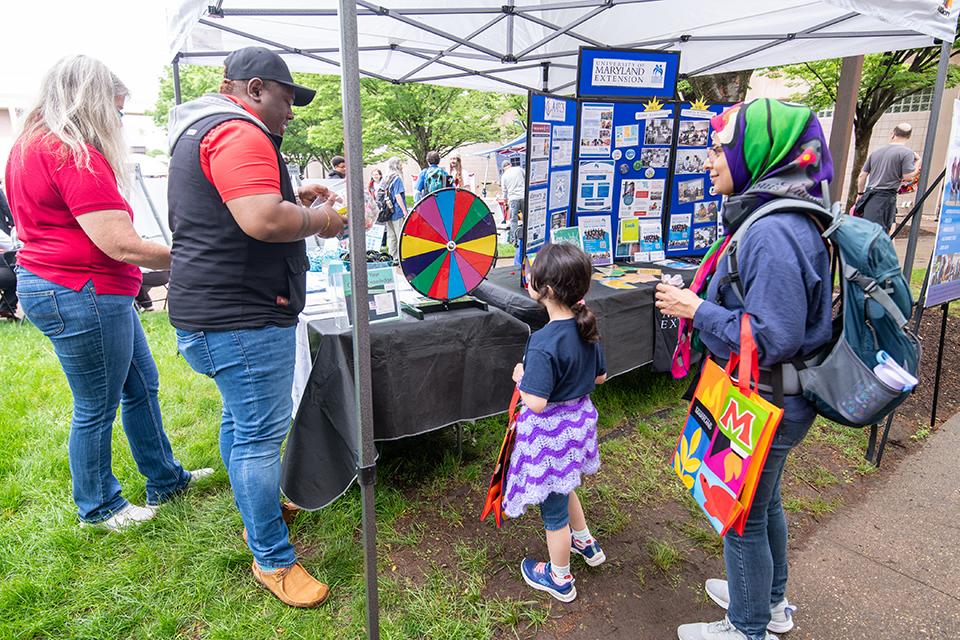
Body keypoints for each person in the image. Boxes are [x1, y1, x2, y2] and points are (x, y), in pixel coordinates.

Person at [165, 46, 344, 608]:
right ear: (255, 88)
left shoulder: (206, 130)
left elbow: (245, 209)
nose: (291, 112)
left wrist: (294, 197)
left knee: (241, 424)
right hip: (242, 316)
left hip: (217, 313)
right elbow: (262, 219)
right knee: (259, 440)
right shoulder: (239, 134)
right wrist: (322, 221)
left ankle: (258, 510)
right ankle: (271, 556)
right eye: (288, 99)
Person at [4, 55, 210, 530]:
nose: (118, 120)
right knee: (97, 405)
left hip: (74, 288)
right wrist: (197, 256)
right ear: (91, 103)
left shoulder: (27, 146)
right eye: (116, 109)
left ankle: (165, 478)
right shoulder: (71, 153)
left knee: (142, 386)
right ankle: (99, 507)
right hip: (80, 291)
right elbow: (120, 243)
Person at [655, 98, 833, 640]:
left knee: (742, 515)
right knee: (765, 501)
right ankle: (769, 601)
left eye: (718, 149)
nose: (707, 161)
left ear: (757, 153)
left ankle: (748, 625)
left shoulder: (774, 230)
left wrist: (697, 310)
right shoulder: (776, 215)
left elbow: (774, 336)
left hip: (768, 397)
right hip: (775, 394)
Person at [504, 242, 607, 604]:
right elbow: (599, 379)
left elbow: (535, 400)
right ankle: (586, 543)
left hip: (551, 438)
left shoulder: (543, 341)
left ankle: (559, 577)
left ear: (543, 290)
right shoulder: (587, 326)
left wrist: (521, 375)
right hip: (578, 427)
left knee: (552, 509)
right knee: (567, 486)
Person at [855, 123, 918, 232]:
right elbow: (908, 177)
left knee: (889, 231)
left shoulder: (876, 152)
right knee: (879, 233)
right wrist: (918, 163)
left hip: (870, 195)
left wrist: (860, 194)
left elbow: (862, 175)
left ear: (893, 134)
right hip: (885, 198)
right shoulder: (907, 153)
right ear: (909, 137)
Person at [381, 156, 408, 260]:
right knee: (400, 235)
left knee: (391, 236)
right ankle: (401, 258)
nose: (401, 166)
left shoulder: (385, 178)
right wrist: (404, 211)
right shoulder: (397, 178)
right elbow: (398, 195)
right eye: (400, 164)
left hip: (387, 212)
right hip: (397, 211)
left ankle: (392, 258)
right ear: (397, 165)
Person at [500, 159, 525, 244]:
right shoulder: (519, 169)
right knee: (526, 217)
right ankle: (527, 235)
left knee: (513, 220)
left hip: (513, 199)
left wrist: (505, 202)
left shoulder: (504, 176)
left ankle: (515, 239)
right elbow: (526, 177)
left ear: (503, 168)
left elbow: (504, 191)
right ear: (510, 165)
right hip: (523, 196)